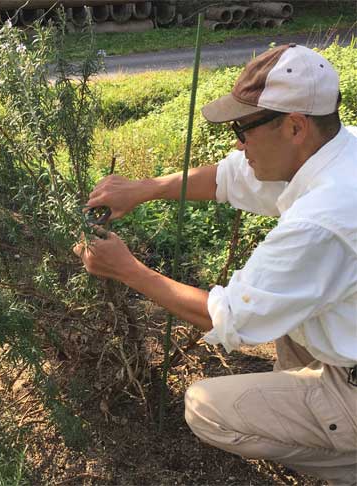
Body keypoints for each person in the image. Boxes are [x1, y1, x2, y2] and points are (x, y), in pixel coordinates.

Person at [73, 44, 357, 485]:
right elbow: (228, 178)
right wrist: (143, 188)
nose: (238, 143)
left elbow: (231, 320)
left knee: (205, 407)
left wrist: (127, 269)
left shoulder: (323, 220)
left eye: (243, 129)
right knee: (288, 316)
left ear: (296, 126)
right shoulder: (340, 149)